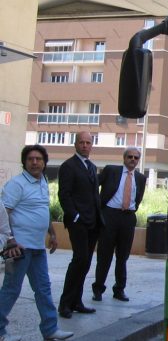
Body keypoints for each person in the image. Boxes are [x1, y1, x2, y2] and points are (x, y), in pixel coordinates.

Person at [0, 145, 74, 341]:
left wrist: (52, 234)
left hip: (38, 248)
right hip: (19, 249)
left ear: (44, 162)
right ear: (24, 162)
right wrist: (10, 240)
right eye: (30, 159)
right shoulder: (16, 184)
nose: (34, 162)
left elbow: (43, 209)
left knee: (43, 289)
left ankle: (50, 330)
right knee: (11, 290)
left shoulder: (43, 181)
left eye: (38, 159)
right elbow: (3, 214)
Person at [91, 147, 146, 302]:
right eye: (130, 156)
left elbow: (138, 198)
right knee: (104, 255)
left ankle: (119, 290)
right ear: (124, 158)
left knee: (123, 256)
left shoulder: (141, 178)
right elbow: (94, 184)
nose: (133, 160)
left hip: (128, 218)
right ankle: (98, 289)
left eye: (136, 157)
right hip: (109, 216)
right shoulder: (111, 170)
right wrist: (96, 206)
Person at [57, 132, 101, 318]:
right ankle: (65, 304)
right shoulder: (68, 166)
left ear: (91, 145)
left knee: (85, 263)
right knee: (79, 260)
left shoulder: (92, 166)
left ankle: (77, 301)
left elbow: (94, 194)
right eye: (81, 142)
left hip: (93, 223)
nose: (85, 145)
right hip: (78, 222)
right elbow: (64, 194)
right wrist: (74, 216)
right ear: (75, 144)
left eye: (88, 142)